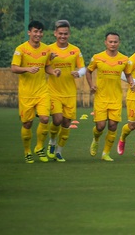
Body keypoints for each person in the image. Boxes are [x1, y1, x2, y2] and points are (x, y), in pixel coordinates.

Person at [85, 32, 134, 162]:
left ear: (119, 43)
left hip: (116, 98)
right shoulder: (97, 58)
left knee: (113, 126)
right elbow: (88, 71)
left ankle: (106, 153)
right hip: (101, 97)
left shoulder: (124, 59)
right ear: (105, 42)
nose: (113, 44)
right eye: (110, 42)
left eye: (115, 42)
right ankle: (95, 139)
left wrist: (132, 82)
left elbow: (128, 74)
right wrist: (91, 85)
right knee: (100, 126)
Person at [11, 21, 54, 163]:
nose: (38, 34)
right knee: (27, 124)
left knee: (45, 118)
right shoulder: (21, 49)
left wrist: (54, 71)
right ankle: (27, 151)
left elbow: (47, 67)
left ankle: (39, 147)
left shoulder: (46, 49)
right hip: (26, 93)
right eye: (35, 31)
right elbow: (14, 68)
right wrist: (27, 69)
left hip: (42, 90)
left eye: (40, 32)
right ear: (29, 32)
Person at [46, 20, 85, 162]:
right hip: (54, 91)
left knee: (67, 123)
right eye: (60, 33)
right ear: (55, 33)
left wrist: (79, 73)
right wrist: (50, 64)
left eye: (65, 34)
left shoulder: (75, 50)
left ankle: (59, 151)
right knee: (57, 119)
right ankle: (51, 141)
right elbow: (43, 67)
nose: (63, 36)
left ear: (69, 34)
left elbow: (83, 68)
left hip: (70, 92)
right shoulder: (48, 49)